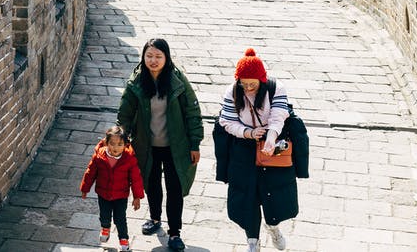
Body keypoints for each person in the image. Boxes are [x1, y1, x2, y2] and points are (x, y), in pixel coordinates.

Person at [116, 38, 203, 252]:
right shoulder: (136, 82)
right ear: (143, 57)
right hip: (147, 145)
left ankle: (175, 233)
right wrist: (120, 139)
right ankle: (155, 220)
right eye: (149, 56)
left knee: (175, 188)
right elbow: (125, 114)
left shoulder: (177, 81)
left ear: (166, 58)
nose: (153, 61)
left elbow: (193, 113)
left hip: (176, 146)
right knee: (151, 184)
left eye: (158, 56)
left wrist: (195, 144)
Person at [215, 48, 299, 252]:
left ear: (262, 79)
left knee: (275, 193)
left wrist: (270, 138)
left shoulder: (275, 87)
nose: (248, 88)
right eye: (244, 84)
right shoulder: (232, 91)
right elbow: (227, 121)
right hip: (243, 148)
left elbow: (279, 115)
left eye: (252, 84)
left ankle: (273, 227)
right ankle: (252, 241)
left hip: (273, 143)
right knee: (247, 196)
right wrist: (248, 133)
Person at [80, 125, 145, 251]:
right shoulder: (99, 157)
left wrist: (137, 196)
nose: (116, 148)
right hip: (103, 194)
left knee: (120, 218)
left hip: (120, 196)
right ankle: (105, 228)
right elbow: (90, 172)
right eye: (112, 144)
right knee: (104, 215)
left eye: (120, 144)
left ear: (126, 144)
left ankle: (123, 238)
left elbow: (136, 179)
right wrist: (85, 188)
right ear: (106, 142)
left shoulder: (129, 159)